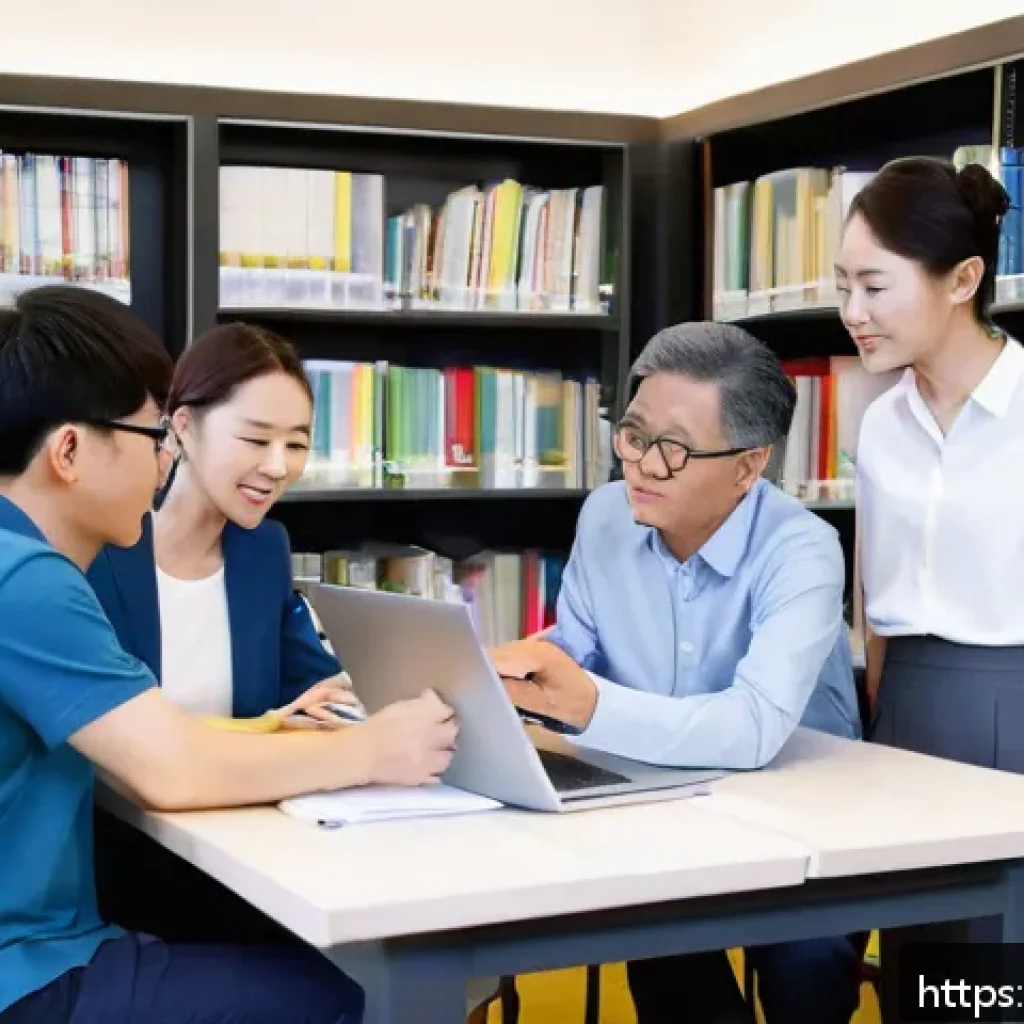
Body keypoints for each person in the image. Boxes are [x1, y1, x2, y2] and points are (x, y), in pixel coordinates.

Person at [0, 285, 458, 1023]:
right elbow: (170, 765)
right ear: (70, 450)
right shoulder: (30, 579)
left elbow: (164, 735)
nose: (161, 468)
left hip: (52, 936)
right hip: (29, 965)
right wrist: (372, 749)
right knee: (353, 996)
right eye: (153, 440)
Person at [490, 321, 864, 1024]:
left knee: (809, 959)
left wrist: (589, 703)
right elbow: (578, 649)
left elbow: (754, 728)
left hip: (799, 820)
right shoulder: (606, 516)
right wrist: (505, 674)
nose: (641, 466)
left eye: (675, 450)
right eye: (633, 436)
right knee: (653, 928)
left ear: (748, 467)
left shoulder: (803, 551)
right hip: (657, 808)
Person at [836, 155, 1020, 1018]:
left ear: (964, 279)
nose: (853, 314)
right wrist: (879, 715)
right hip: (904, 709)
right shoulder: (880, 423)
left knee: (995, 991)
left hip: (1013, 708)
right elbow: (872, 597)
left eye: (874, 286)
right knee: (922, 985)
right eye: (844, 286)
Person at [86, 321, 355, 723]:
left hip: (251, 784)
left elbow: (316, 687)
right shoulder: (100, 549)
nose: (278, 467)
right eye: (256, 441)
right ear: (183, 428)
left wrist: (328, 703)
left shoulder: (263, 549)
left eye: (296, 445)